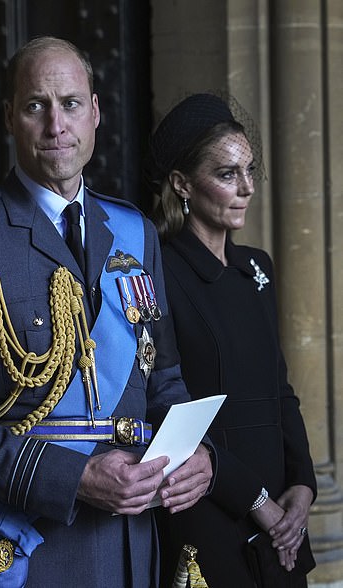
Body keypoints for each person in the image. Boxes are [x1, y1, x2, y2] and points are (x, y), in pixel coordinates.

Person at [0, 36, 213, 587]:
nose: (56, 125)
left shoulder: (134, 231)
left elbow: (163, 379)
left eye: (71, 104)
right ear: (9, 117)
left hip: (130, 540)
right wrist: (72, 478)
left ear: (95, 112)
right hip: (31, 545)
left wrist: (199, 455)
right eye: (35, 106)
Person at [145, 93, 317, 586]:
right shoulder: (157, 270)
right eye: (226, 175)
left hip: (282, 516)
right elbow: (165, 406)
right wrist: (254, 501)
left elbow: (280, 389)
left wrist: (302, 484)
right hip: (209, 508)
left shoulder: (255, 267)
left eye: (249, 170)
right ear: (182, 184)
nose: (246, 189)